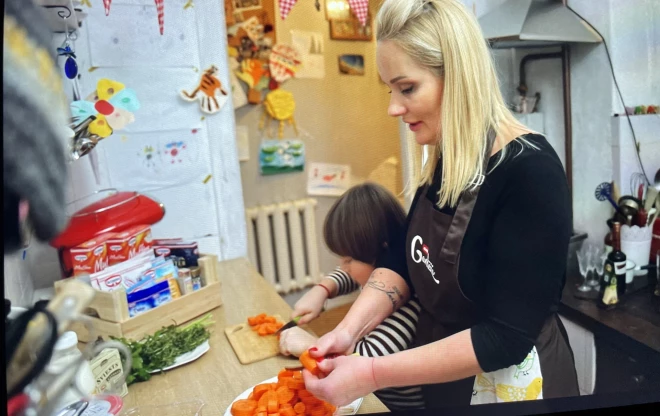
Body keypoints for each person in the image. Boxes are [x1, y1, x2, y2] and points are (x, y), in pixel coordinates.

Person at [300, 0, 579, 409]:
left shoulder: (530, 173)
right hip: (445, 382)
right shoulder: (450, 156)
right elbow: (404, 259)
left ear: (460, 76)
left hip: (512, 388)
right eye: (390, 89)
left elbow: (504, 337)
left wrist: (372, 372)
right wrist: (347, 332)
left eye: (407, 88)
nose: (393, 108)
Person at [279, 182, 425, 411]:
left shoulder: (409, 309)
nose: (343, 267)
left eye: (348, 260)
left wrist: (307, 345)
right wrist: (322, 290)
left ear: (382, 254)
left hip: (388, 406)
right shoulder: (377, 270)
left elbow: (357, 363)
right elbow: (345, 276)